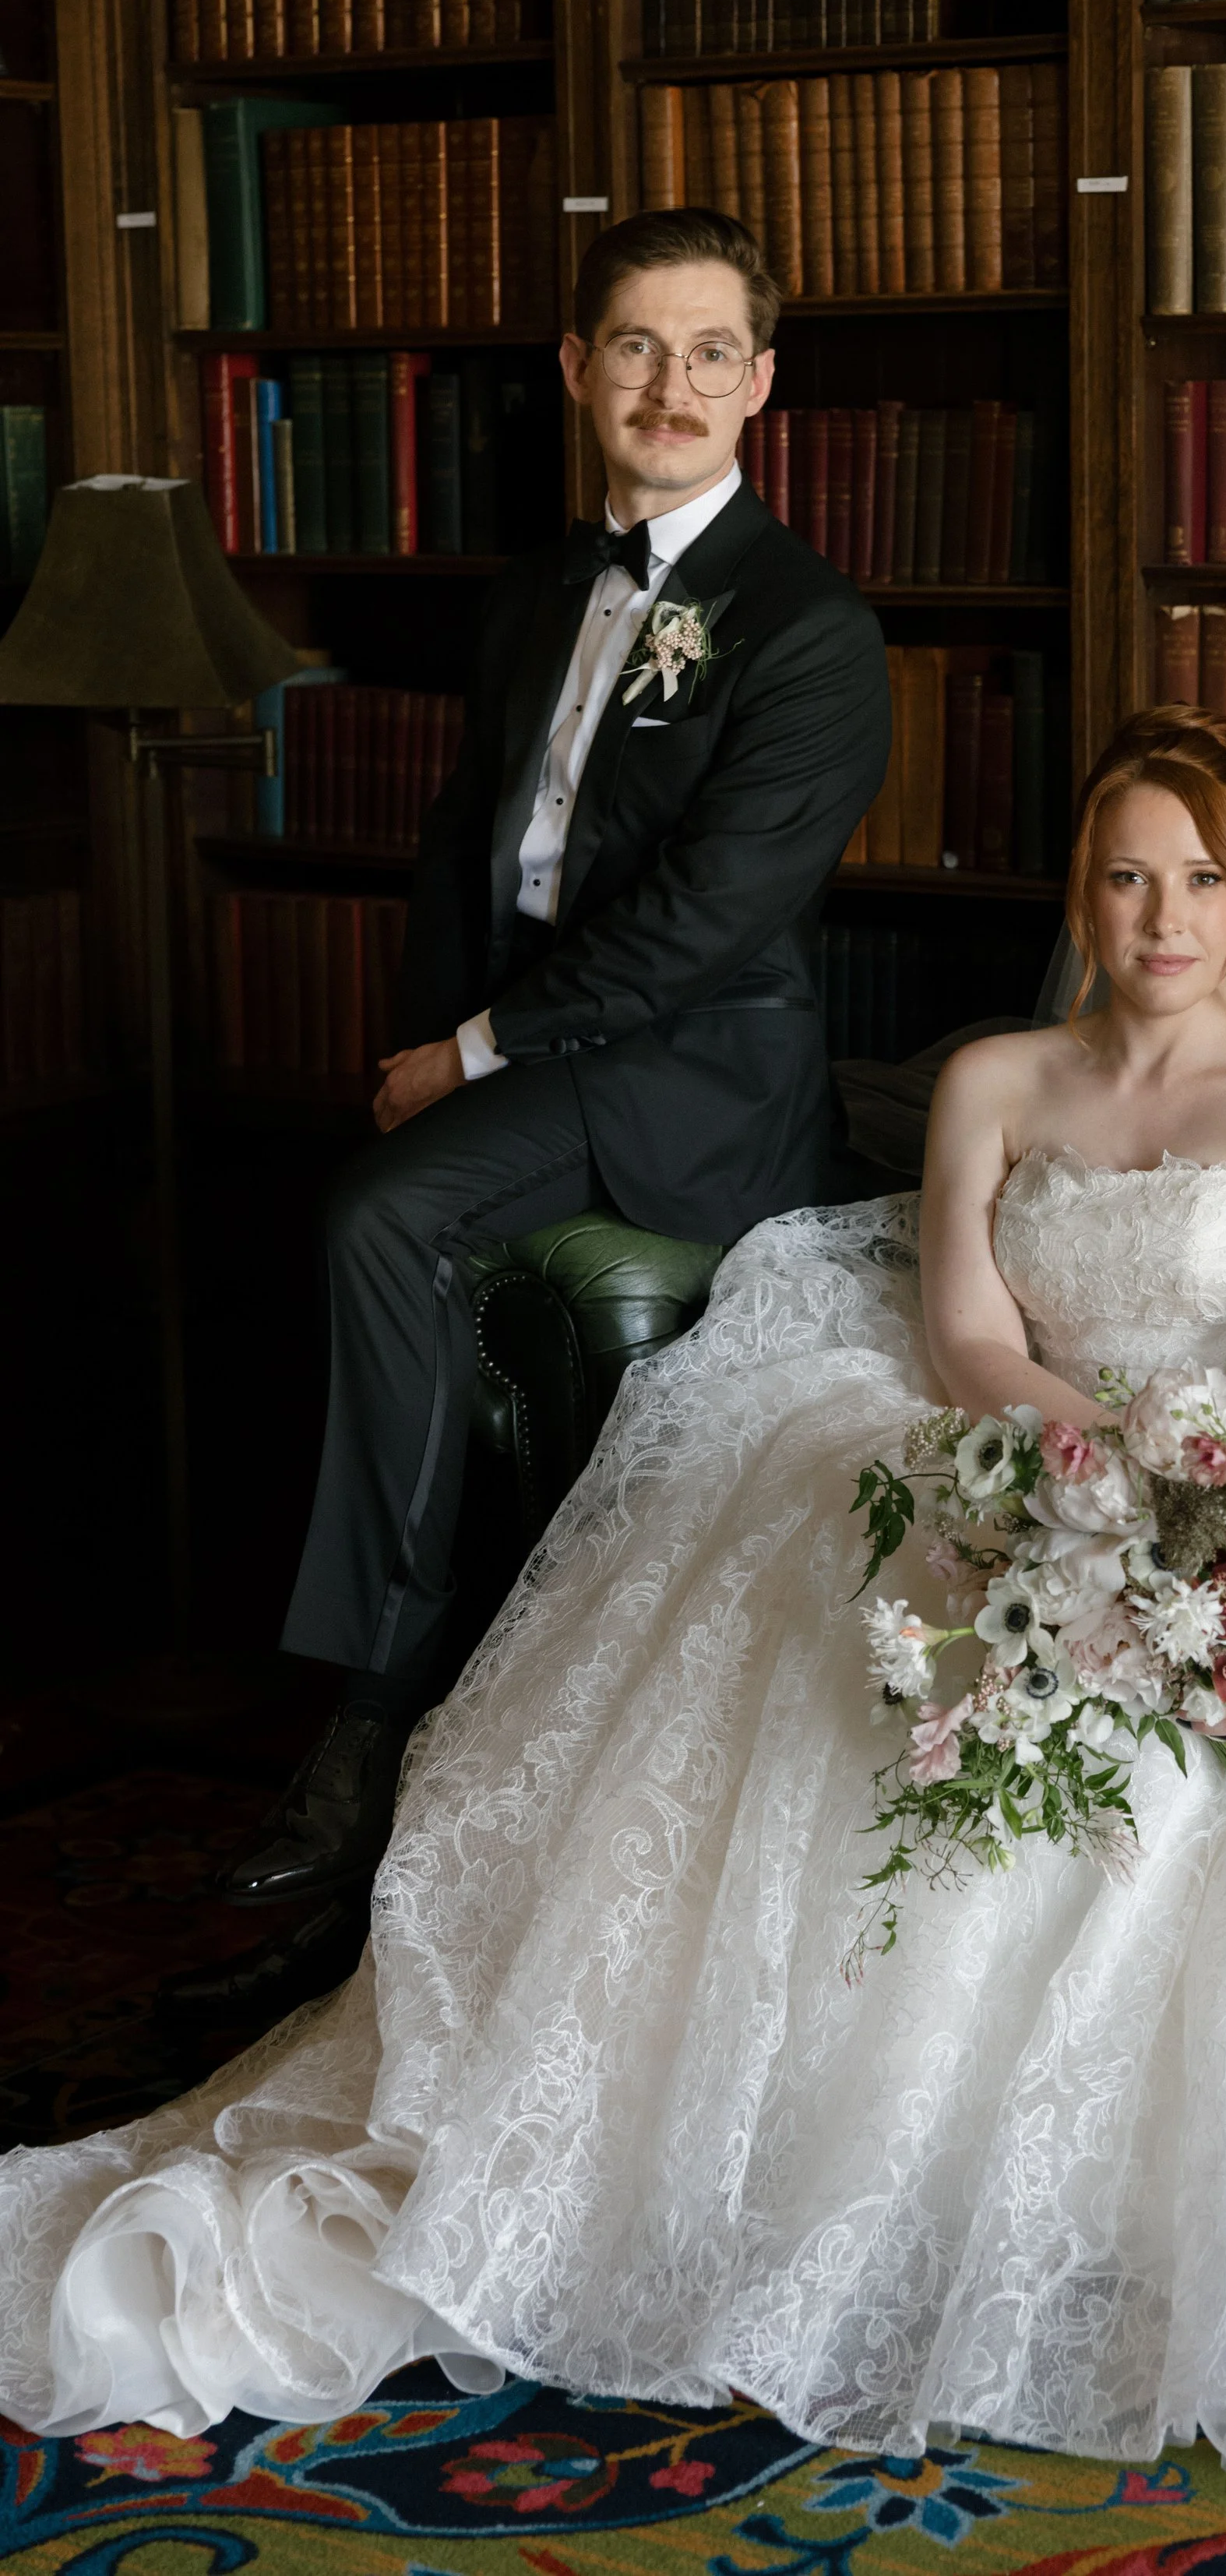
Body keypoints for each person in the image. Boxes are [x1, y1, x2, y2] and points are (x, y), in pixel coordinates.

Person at [0, 706, 1226, 2481]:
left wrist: (1187, 1497)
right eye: (1125, 877)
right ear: (1080, 890)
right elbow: (967, 1330)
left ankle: (1115, 2221)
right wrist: (1076, 1468)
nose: (1161, 917)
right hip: (1009, 1439)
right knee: (839, 1658)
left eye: (1198, 880)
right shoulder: (998, 1077)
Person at [199, 206, 891, 1978]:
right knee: (366, 1192)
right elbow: (463, 849)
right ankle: (412, 1702)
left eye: (711, 351)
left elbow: (703, 920)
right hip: (525, 1050)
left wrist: (472, 1058)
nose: (672, 384)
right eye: (638, 347)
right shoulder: (528, 595)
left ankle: (373, 1708)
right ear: (579, 369)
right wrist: (426, 1048)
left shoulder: (810, 629)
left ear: (760, 383)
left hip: (689, 1077)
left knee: (382, 1216)